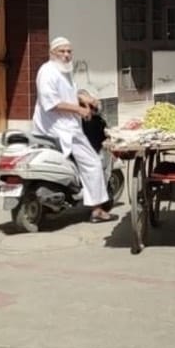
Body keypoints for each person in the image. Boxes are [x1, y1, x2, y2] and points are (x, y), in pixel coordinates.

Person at [33, 37, 116, 223]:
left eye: (69, 51)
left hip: (66, 126)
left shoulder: (63, 71)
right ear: (52, 53)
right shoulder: (47, 72)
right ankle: (97, 210)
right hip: (60, 128)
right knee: (93, 162)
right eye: (61, 51)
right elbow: (51, 103)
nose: (66, 55)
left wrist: (84, 98)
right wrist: (79, 109)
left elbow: (69, 94)